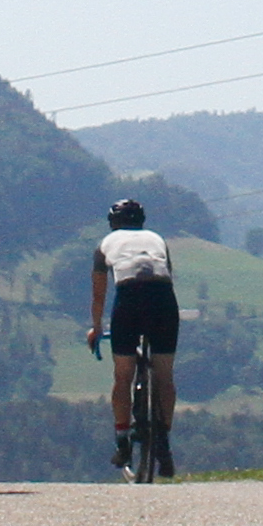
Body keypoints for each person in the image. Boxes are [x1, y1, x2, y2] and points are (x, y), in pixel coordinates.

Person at [88, 195, 180, 474]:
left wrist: (97, 328)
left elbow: (99, 295)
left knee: (123, 375)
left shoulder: (105, 245)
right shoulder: (157, 239)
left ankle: (122, 441)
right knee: (164, 375)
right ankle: (162, 439)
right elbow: (168, 274)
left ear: (112, 224)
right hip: (163, 299)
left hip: (129, 298)